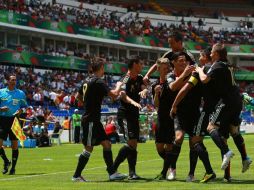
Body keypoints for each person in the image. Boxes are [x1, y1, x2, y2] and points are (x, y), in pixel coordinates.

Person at [196, 43, 252, 182]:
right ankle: (244, 159)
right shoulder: (226, 65)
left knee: (211, 127)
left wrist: (199, 70)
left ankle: (226, 152)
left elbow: (204, 79)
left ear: (216, 54)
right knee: (233, 130)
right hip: (236, 100)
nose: (209, 54)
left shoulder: (217, 65)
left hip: (226, 102)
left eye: (211, 52)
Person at [72, 58, 126, 182]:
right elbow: (113, 95)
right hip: (91, 119)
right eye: (103, 68)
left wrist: (88, 103)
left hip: (93, 119)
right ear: (101, 68)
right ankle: (76, 175)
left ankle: (112, 173)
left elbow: (77, 97)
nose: (104, 70)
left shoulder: (86, 81)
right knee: (88, 148)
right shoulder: (98, 81)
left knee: (107, 144)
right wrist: (119, 86)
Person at [170, 48, 216, 182]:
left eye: (185, 60)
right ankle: (172, 169)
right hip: (180, 113)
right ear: (174, 63)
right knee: (178, 138)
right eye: (180, 61)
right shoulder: (173, 76)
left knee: (193, 143)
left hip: (195, 113)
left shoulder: (198, 72)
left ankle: (191, 174)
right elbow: (174, 87)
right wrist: (174, 106)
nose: (183, 63)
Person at [113, 55, 148, 180]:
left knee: (134, 144)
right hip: (125, 114)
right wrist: (133, 102)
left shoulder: (139, 77)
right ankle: (113, 168)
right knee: (131, 142)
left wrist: (144, 91)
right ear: (134, 64)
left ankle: (132, 173)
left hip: (134, 115)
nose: (142, 66)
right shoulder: (125, 78)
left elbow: (144, 87)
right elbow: (122, 95)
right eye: (141, 64)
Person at [151, 58, 176, 180]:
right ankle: (172, 166)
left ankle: (165, 172)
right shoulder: (155, 84)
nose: (167, 70)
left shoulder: (172, 82)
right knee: (159, 147)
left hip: (171, 118)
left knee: (169, 146)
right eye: (164, 68)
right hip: (160, 117)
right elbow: (156, 105)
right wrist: (156, 93)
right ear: (158, 68)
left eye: (168, 68)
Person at [0, 73, 27, 175]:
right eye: (12, 80)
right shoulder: (1, 92)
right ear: (7, 81)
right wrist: (1, 109)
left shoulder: (21, 93)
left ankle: (13, 168)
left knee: (14, 145)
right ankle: (6, 161)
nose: (13, 81)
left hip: (15, 121)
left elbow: (25, 106)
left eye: (15, 80)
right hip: (2, 120)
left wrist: (21, 111)